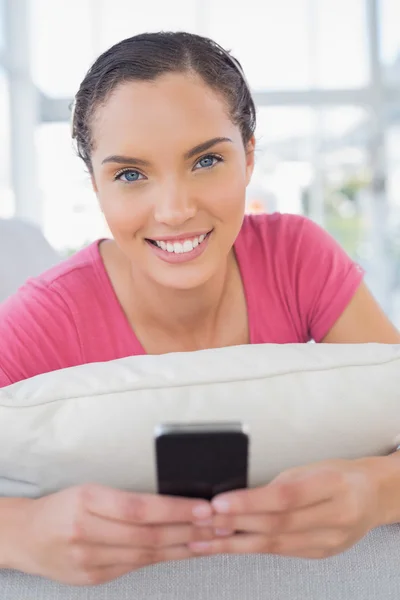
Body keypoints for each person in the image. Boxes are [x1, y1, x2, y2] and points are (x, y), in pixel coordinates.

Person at [0, 31, 399, 587]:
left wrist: (379, 492)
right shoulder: (48, 315)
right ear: (94, 183)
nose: (175, 210)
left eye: (207, 160)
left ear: (250, 155)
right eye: (131, 174)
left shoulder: (294, 256)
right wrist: (19, 531)